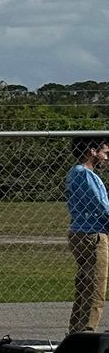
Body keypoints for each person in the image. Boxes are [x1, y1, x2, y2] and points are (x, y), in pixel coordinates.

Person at [65, 135, 109, 333]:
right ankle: (87, 333)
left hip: (80, 232)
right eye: (104, 152)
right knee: (95, 289)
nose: (106, 158)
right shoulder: (85, 174)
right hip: (93, 235)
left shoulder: (76, 173)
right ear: (92, 151)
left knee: (84, 285)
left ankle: (76, 332)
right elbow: (101, 206)